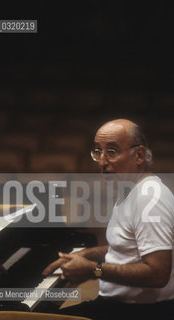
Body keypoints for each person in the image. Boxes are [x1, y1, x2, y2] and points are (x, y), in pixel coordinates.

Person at [41, 119, 174, 320]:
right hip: (114, 307)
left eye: (112, 151)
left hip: (138, 313)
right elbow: (130, 248)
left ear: (138, 155)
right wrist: (88, 254)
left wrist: (92, 270)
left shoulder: (149, 199)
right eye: (98, 151)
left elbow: (158, 274)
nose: (102, 162)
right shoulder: (132, 189)